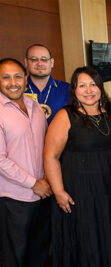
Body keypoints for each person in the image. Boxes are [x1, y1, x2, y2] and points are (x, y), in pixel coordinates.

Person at [44, 66, 111, 266]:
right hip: (79, 192)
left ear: (101, 88)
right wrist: (58, 191)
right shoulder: (65, 116)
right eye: (82, 85)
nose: (89, 90)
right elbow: (50, 156)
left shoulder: (110, 111)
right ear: (74, 90)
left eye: (93, 85)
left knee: (109, 234)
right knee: (86, 237)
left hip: (109, 188)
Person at [0, 58, 51, 267]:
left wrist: (47, 179)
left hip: (43, 195)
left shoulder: (35, 105)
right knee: (13, 257)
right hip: (14, 199)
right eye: (6, 77)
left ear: (25, 78)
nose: (13, 82)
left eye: (18, 76)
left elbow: (46, 147)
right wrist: (33, 183)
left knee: (38, 253)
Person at [24, 44, 70, 124]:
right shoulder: (17, 90)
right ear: (26, 62)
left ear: (51, 62)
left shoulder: (67, 89)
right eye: (34, 59)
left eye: (44, 59)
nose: (39, 63)